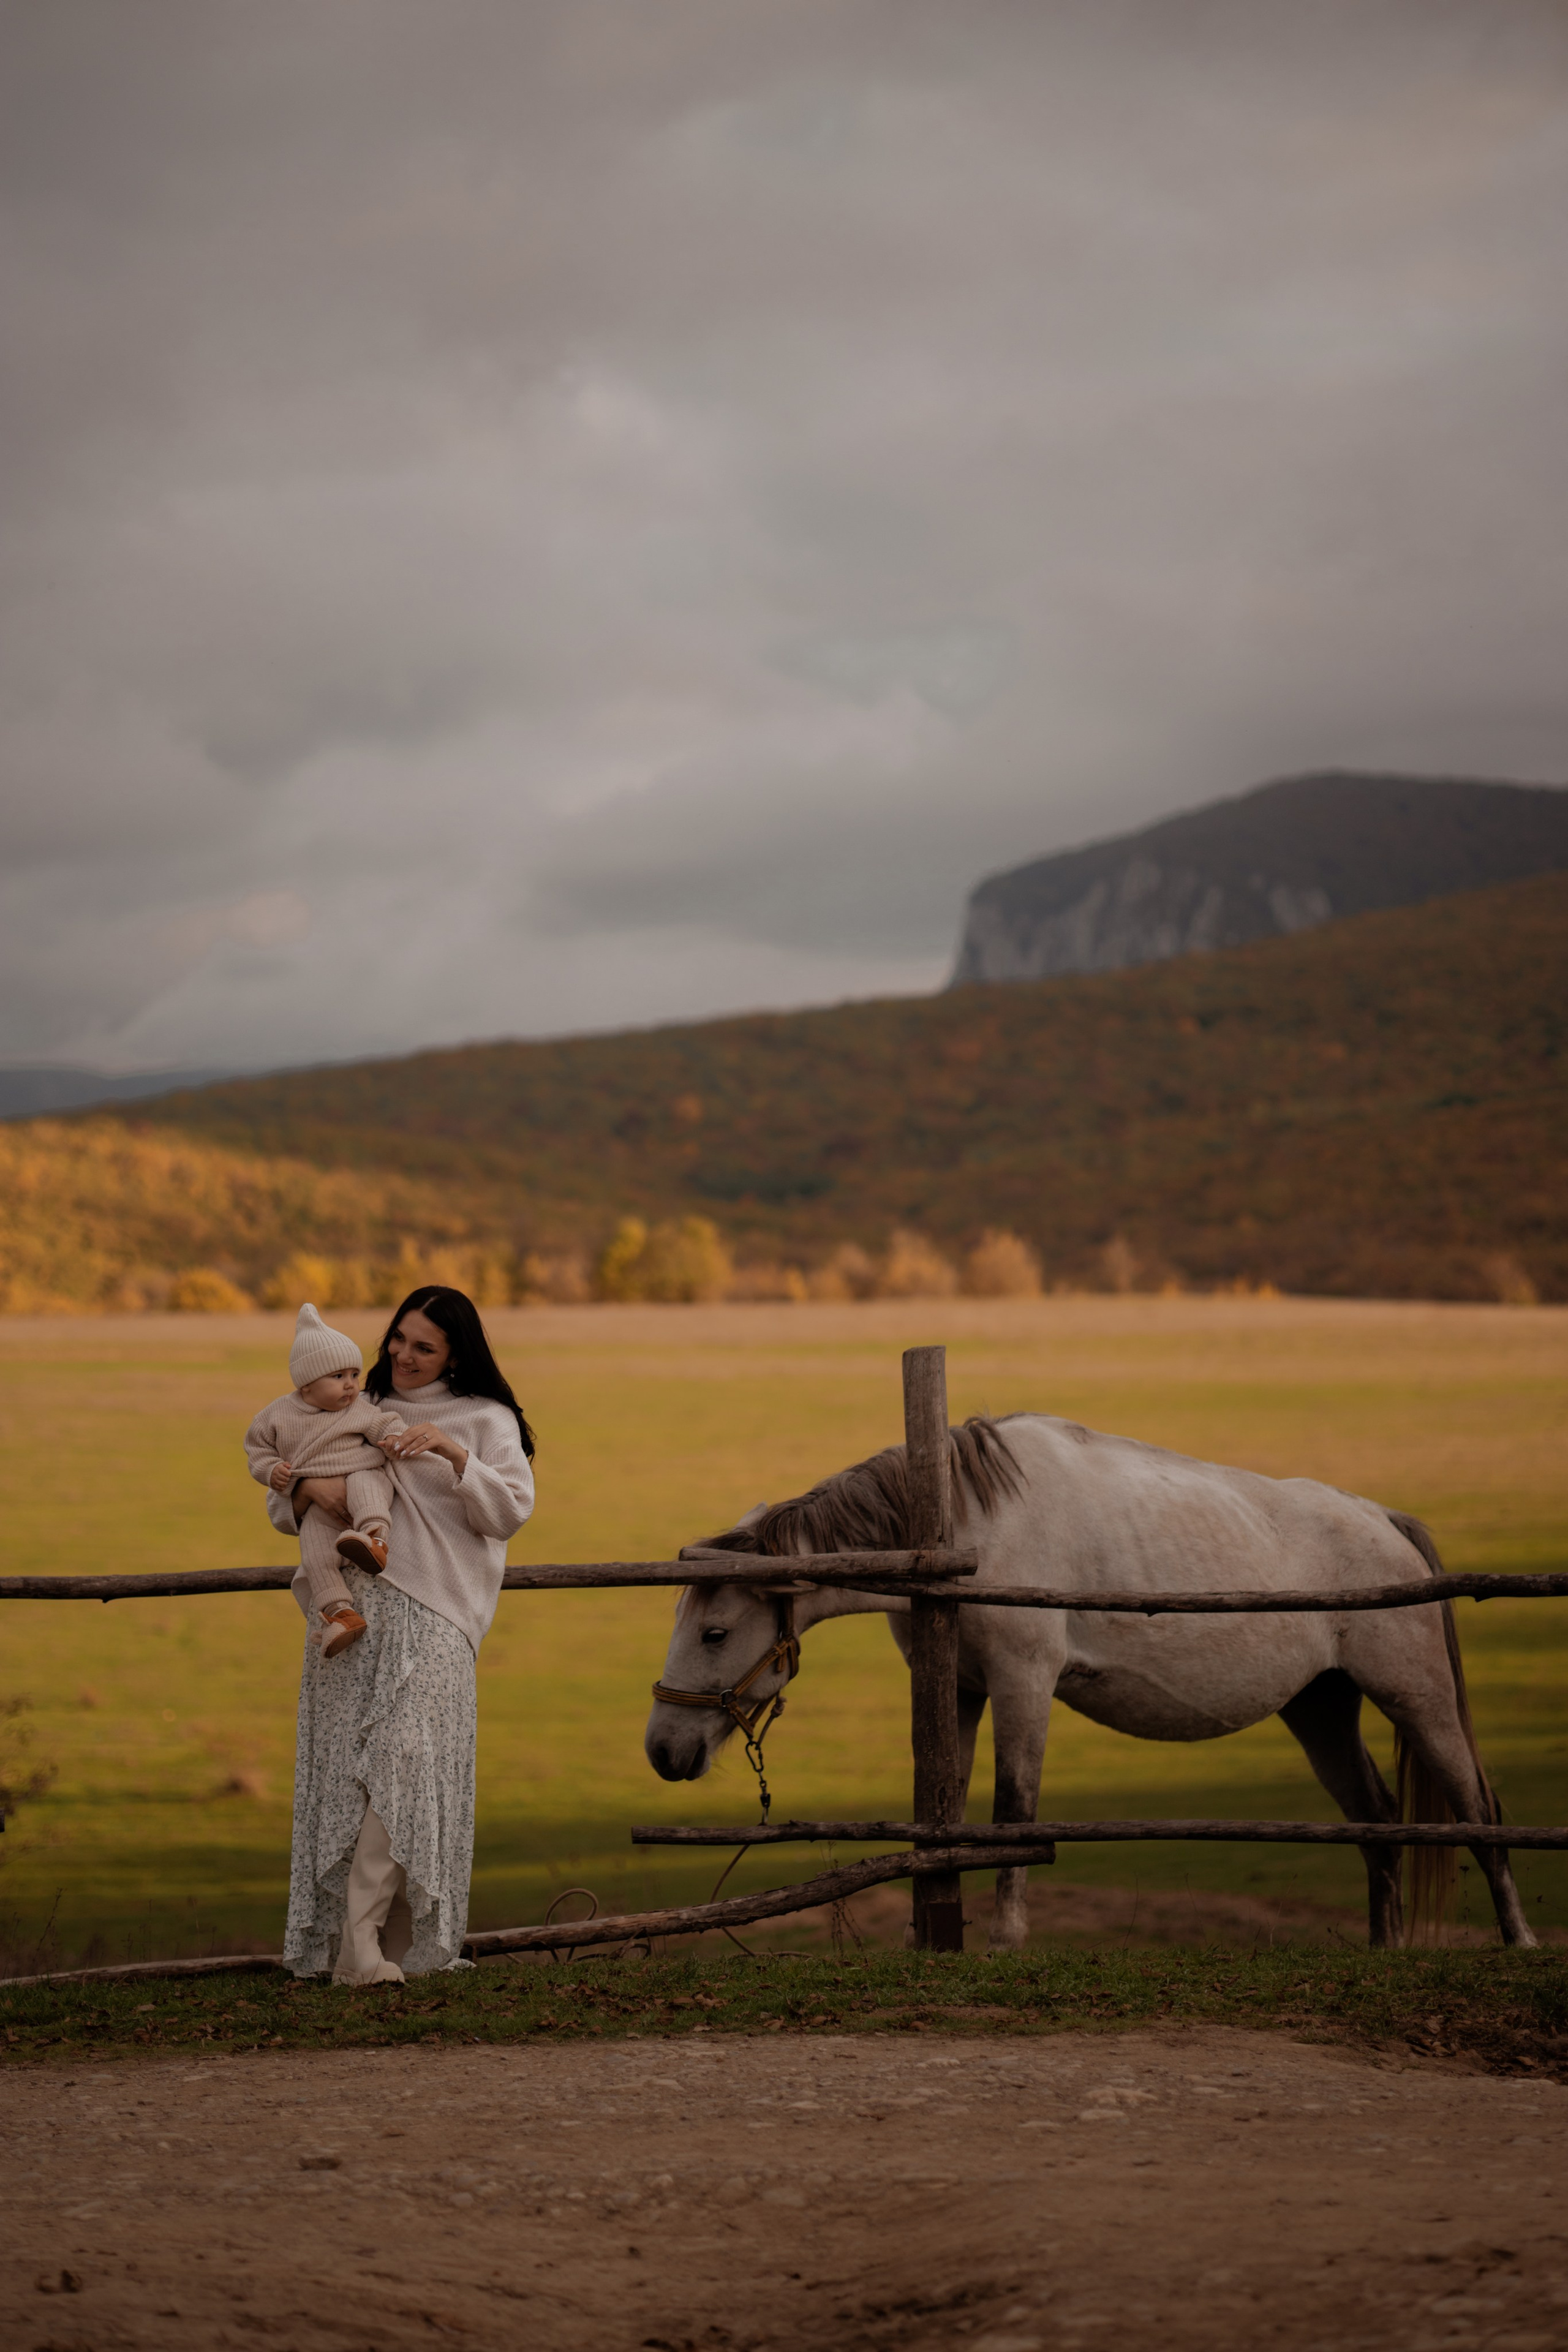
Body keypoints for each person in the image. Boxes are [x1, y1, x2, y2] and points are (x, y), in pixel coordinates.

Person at [270, 1286, 536, 1986]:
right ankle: (353, 1952)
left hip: (439, 1617)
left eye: (425, 1347)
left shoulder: (486, 1418)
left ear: (456, 1353)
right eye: (398, 1340)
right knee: (349, 1779)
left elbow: (508, 1512)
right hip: (349, 1614)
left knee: (406, 1769)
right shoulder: (358, 1407)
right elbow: (281, 1490)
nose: (403, 1356)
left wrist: (452, 1452)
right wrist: (307, 1494)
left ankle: (374, 1946)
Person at [244, 1302, 405, 1657]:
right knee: (316, 1554)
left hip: (362, 1474)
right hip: (317, 1502)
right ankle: (341, 1614)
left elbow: (384, 1423)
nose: (350, 1386)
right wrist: (273, 1471)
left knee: (365, 1486)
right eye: (338, 1377)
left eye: (353, 1374)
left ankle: (375, 1539)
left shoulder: (358, 1408)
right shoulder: (277, 1416)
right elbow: (257, 1451)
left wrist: (394, 1438)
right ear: (306, 1386)